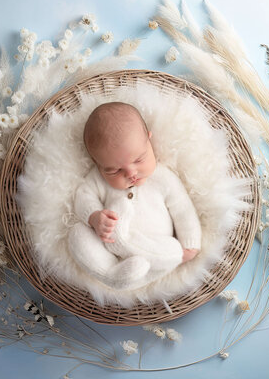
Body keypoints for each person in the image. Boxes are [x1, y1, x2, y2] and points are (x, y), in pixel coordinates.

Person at [68, 102, 202, 290]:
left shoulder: (163, 178)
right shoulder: (97, 179)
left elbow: (183, 209)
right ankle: (109, 273)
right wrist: (94, 217)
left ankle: (128, 277)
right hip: (111, 253)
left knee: (174, 251)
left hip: (155, 250)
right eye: (114, 170)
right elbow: (83, 196)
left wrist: (190, 242)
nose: (131, 173)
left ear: (149, 140)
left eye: (139, 159)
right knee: (77, 235)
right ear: (98, 165)